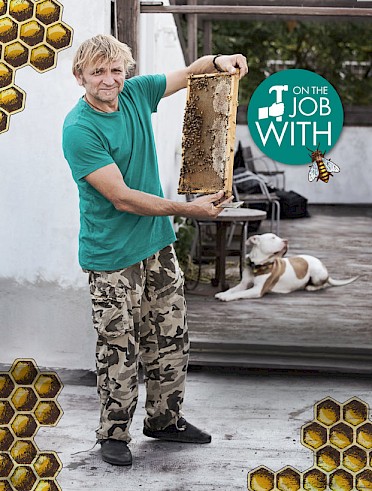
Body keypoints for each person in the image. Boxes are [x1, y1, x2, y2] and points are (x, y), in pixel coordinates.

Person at [62, 34, 248, 466]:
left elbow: (191, 72)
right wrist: (188, 209)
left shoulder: (137, 91)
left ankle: (164, 421)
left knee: (171, 339)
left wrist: (222, 59)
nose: (109, 80)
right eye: (98, 72)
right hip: (111, 257)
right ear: (80, 77)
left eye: (115, 70)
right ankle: (113, 434)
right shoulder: (79, 129)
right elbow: (123, 197)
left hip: (157, 247)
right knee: (119, 347)